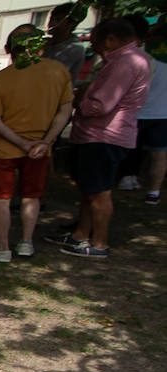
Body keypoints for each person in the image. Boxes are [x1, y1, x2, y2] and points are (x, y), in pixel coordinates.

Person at [46, 18, 151, 258]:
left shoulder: (125, 63)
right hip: (98, 134)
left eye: (96, 43)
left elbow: (101, 105)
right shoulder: (129, 60)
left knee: (99, 191)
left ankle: (99, 243)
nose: (95, 49)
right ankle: (81, 235)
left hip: (105, 135)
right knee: (89, 188)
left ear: (111, 39)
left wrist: (81, 100)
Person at [0, 26, 73, 262]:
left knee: (1, 198)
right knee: (32, 196)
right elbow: (65, 110)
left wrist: (23, 143)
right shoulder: (58, 72)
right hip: (39, 148)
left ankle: (3, 247)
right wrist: (45, 141)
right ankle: (26, 242)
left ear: (9, 49)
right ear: (41, 47)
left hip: (5, 149)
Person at [136, 19, 167, 206]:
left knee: (121, 149)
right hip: (163, 115)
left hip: (138, 112)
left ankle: (122, 178)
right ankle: (153, 192)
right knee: (160, 154)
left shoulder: (142, 56)